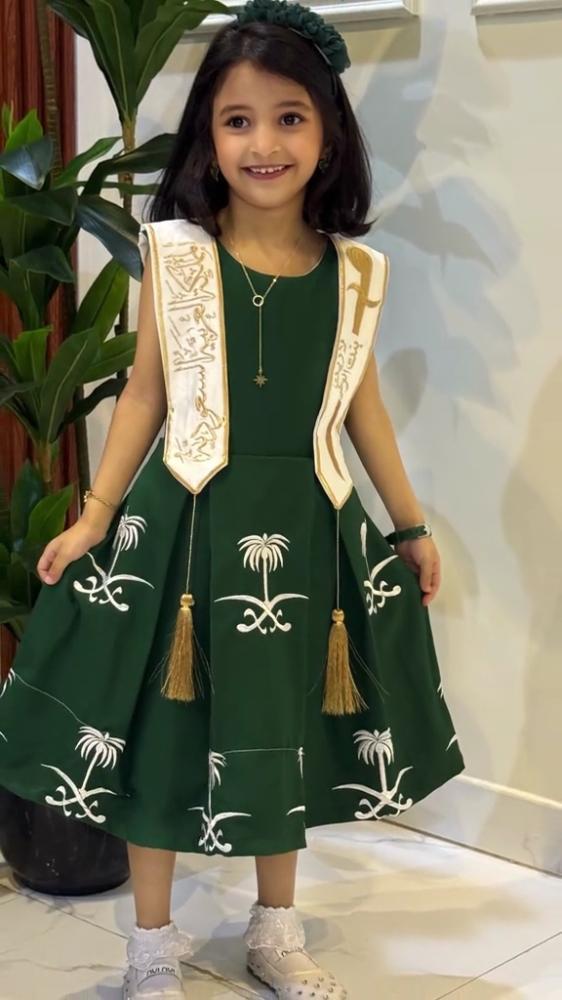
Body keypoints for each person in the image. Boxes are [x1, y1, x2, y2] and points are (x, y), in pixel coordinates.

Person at [0, 1, 465, 997]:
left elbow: (362, 405)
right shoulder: (174, 255)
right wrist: (94, 515)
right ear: (208, 137)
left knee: (281, 724)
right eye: (238, 120)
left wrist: (410, 523)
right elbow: (144, 395)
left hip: (305, 532)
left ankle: (274, 930)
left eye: (290, 117)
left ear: (329, 133)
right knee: (164, 733)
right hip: (183, 530)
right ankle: (151, 944)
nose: (265, 143)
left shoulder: (356, 274)